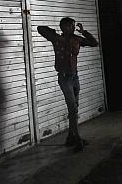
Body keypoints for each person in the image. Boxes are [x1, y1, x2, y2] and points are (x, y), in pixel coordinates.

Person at [37, 17, 99, 152]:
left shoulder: (76, 39)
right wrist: (54, 33)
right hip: (64, 79)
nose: (72, 28)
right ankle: (77, 139)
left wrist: (84, 32)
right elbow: (40, 29)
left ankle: (71, 137)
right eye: (69, 26)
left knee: (75, 107)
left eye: (73, 26)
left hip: (74, 77)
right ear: (63, 27)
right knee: (73, 109)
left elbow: (95, 43)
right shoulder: (56, 39)